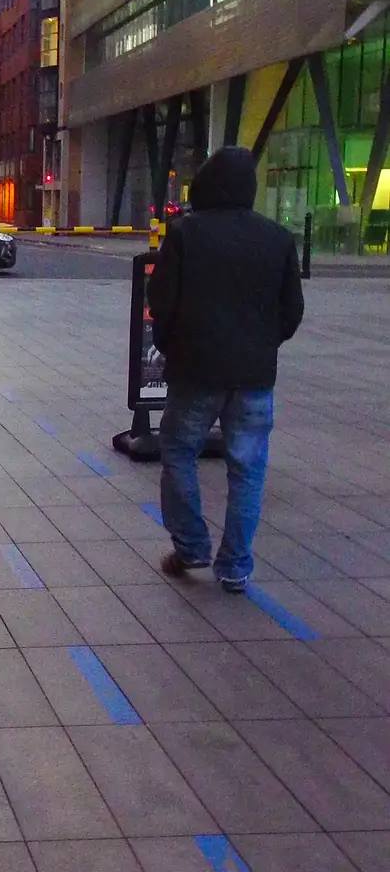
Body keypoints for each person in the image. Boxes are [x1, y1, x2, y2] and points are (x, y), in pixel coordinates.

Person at [147, 145, 303, 594]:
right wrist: (262, 344)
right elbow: (291, 309)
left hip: (196, 371)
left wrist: (170, 345)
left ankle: (192, 544)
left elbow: (162, 301)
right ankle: (234, 565)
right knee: (248, 470)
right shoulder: (278, 238)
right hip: (254, 377)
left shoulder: (185, 233)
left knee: (178, 452)